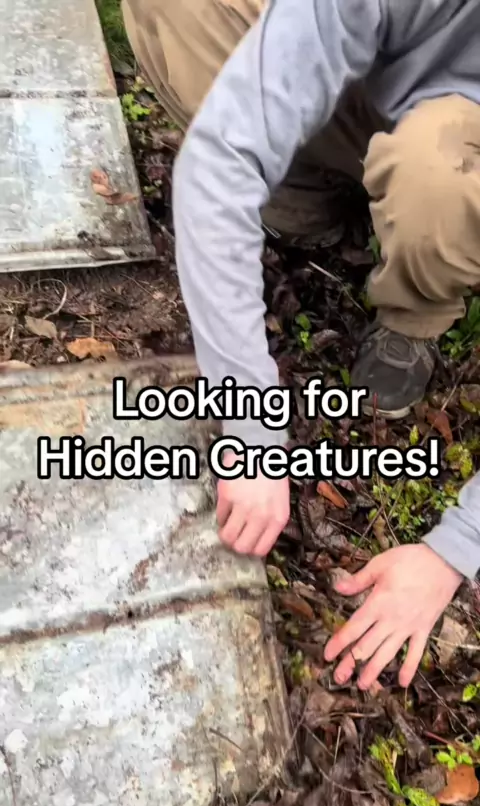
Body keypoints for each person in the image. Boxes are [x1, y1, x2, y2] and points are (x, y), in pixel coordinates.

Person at [122, 0, 480, 688]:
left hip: (453, 159)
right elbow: (222, 156)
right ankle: (308, 197)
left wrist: (452, 550)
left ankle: (417, 306)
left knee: (438, 174)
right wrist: (252, 426)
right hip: (379, 81)